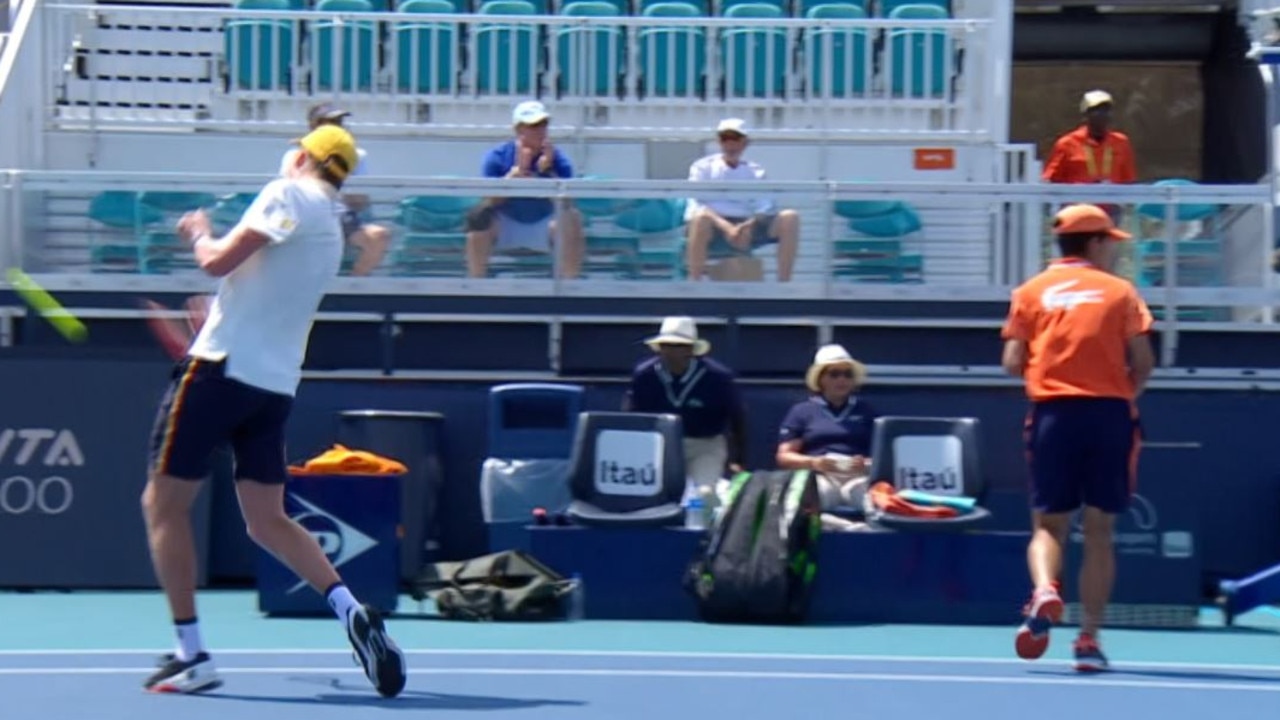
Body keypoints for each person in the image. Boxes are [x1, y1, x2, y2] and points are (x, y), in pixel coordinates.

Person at [140, 124, 407, 697]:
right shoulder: (331, 229)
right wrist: (219, 314)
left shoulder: (287, 193)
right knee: (267, 520)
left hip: (219, 370)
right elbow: (258, 291)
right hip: (272, 386)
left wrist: (199, 232)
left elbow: (215, 262)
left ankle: (192, 656)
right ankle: (349, 609)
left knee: (161, 505)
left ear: (305, 157)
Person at [1000, 203, 1155, 673]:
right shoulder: (1121, 292)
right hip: (1109, 414)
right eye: (1110, 242)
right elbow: (1144, 362)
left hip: (1052, 415)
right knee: (1101, 533)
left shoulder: (1030, 291)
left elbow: (1011, 361)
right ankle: (1088, 640)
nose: (1114, 250)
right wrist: (1117, 391)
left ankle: (1046, 589)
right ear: (1094, 243)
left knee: (1048, 526)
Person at [623, 316, 747, 503]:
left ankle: (704, 532)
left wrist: (738, 459)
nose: (670, 352)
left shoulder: (717, 378)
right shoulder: (644, 375)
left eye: (678, 346)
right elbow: (630, 416)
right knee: (653, 497)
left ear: (691, 350)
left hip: (705, 445)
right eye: (666, 345)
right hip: (659, 446)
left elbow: (738, 418)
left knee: (705, 496)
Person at [466, 100, 585, 279]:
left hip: (544, 224)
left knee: (571, 219)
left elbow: (566, 203)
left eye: (543, 125)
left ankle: (569, 288)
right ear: (518, 129)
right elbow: (488, 202)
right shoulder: (496, 157)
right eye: (533, 126)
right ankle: (476, 286)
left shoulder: (558, 160)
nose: (540, 131)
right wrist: (513, 178)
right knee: (478, 219)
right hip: (506, 224)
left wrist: (548, 173)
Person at [775, 344, 879, 528]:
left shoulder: (867, 411)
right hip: (820, 476)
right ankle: (846, 528)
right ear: (820, 379)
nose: (842, 380)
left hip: (858, 478)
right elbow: (784, 456)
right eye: (834, 374)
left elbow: (883, 456)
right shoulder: (802, 412)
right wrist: (815, 463)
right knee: (797, 510)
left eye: (848, 374)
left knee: (879, 505)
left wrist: (866, 464)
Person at [684, 118, 800, 282]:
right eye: (725, 139)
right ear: (719, 142)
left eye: (736, 139)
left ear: (745, 143)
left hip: (747, 225)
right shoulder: (702, 167)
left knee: (790, 217)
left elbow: (766, 205)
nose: (731, 145)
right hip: (713, 225)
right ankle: (694, 283)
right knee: (700, 218)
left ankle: (784, 284)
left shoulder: (756, 171)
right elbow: (696, 203)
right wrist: (726, 227)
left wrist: (747, 225)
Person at [296, 103, 390, 277]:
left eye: (338, 122)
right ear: (313, 125)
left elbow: (360, 200)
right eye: (330, 122)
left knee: (378, 237)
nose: (336, 126)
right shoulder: (296, 155)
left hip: (343, 215)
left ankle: (352, 285)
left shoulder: (356, 155)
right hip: (309, 214)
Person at [1042, 90, 1138, 222]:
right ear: (1085, 115)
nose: (1103, 115)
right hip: (1076, 211)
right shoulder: (1067, 143)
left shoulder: (1121, 142)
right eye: (1097, 110)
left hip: (1110, 212)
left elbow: (1128, 180)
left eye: (1107, 110)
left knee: (1107, 242)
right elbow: (1052, 181)